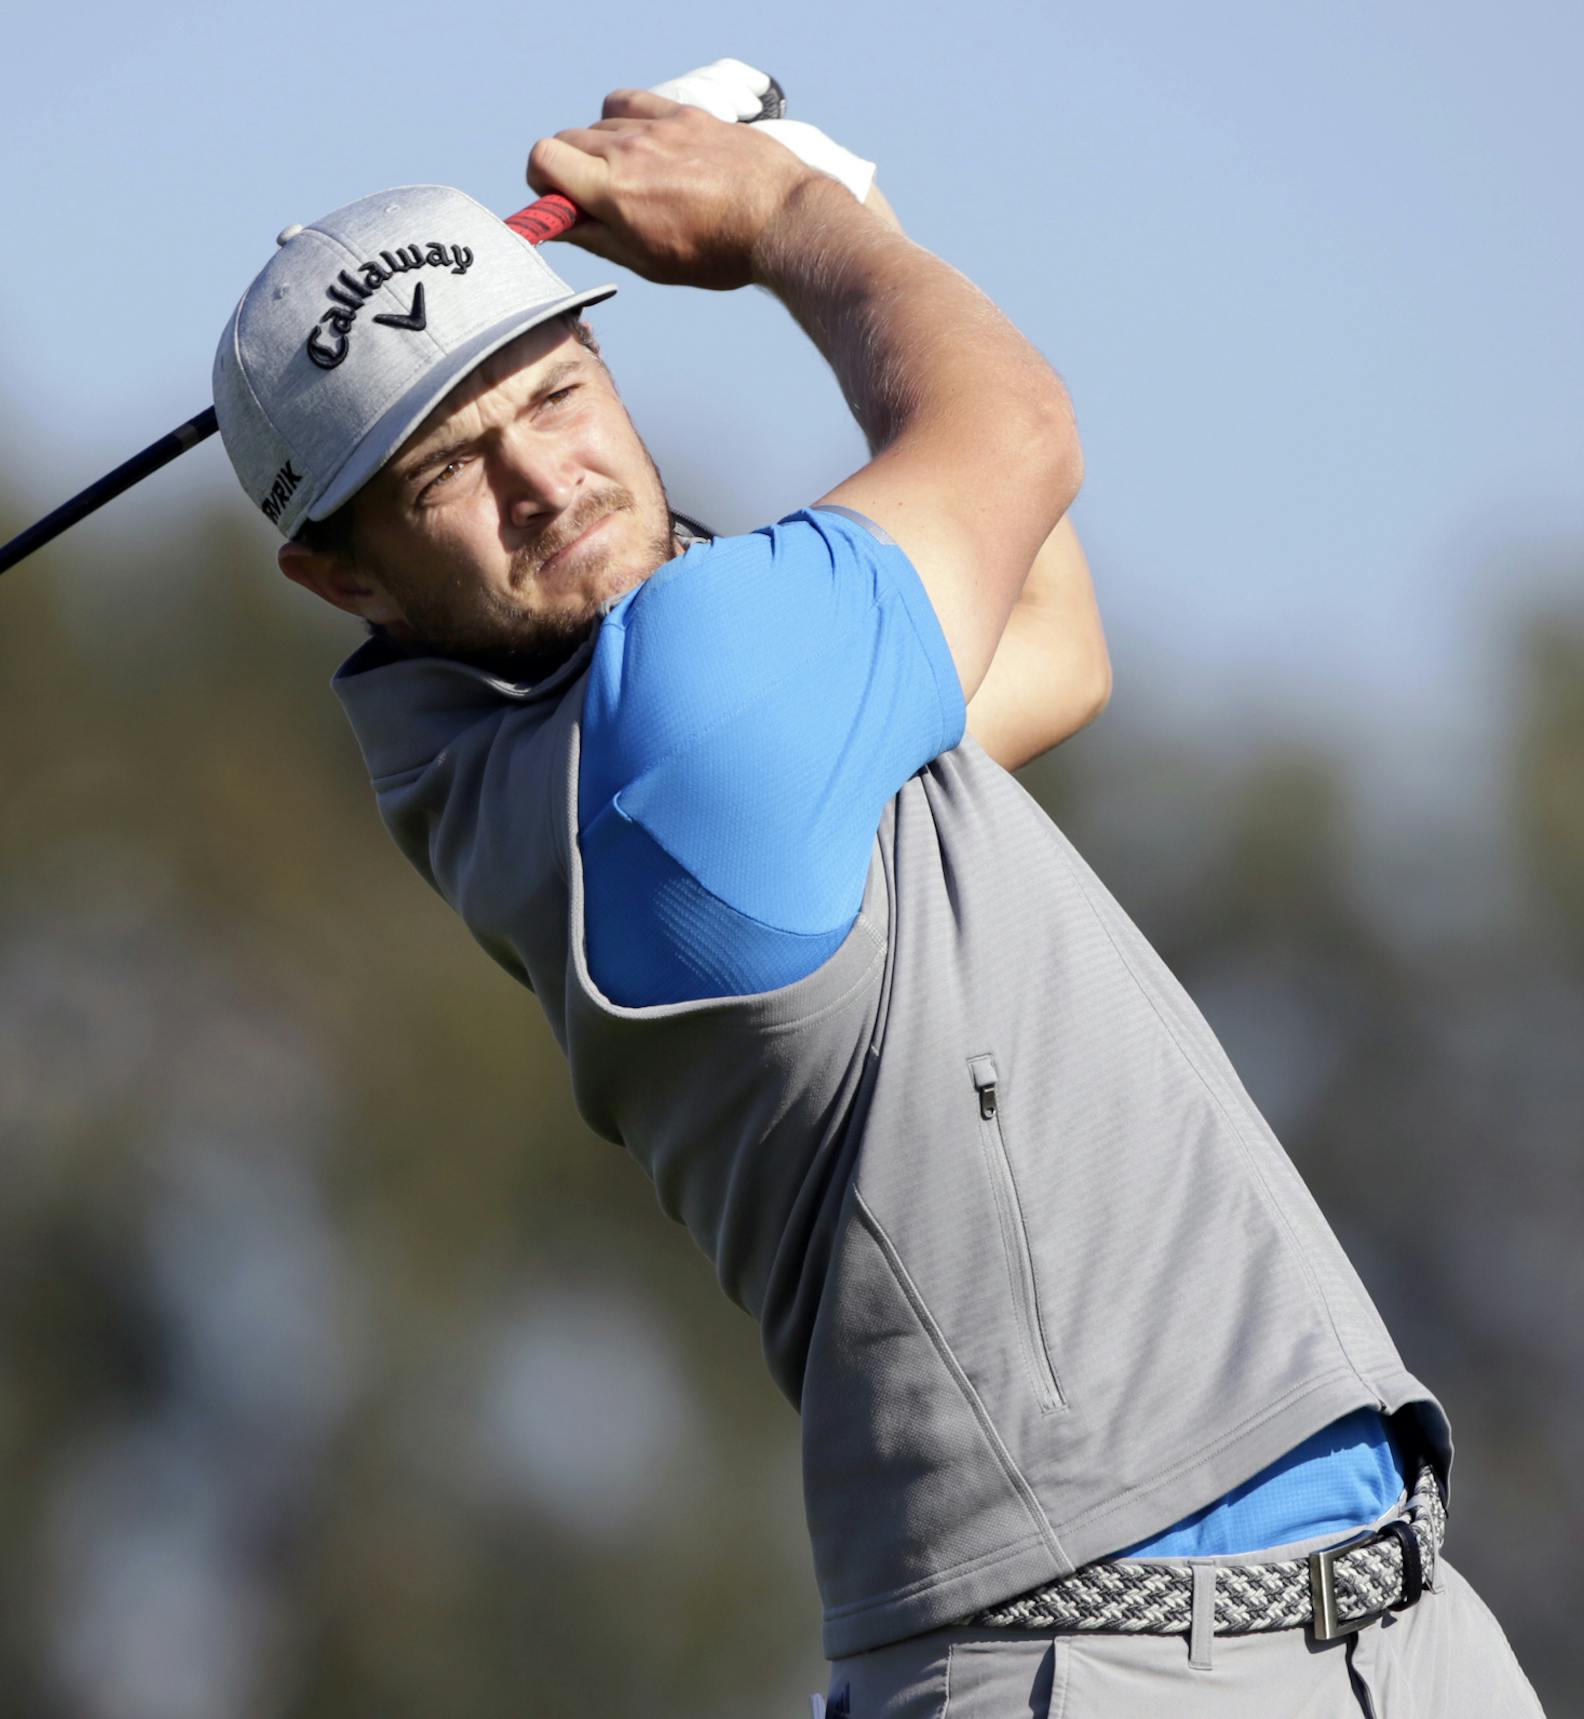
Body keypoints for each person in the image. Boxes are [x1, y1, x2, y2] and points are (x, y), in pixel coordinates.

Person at [210, 62, 1545, 1717]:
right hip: (1125, 1664)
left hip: (1364, 1632)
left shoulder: (588, 744)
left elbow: (1048, 647)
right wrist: (787, 216)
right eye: (446, 476)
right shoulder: (686, 712)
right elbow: (1017, 433)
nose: (544, 482)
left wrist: (855, 214)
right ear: (337, 575)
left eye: (550, 394)